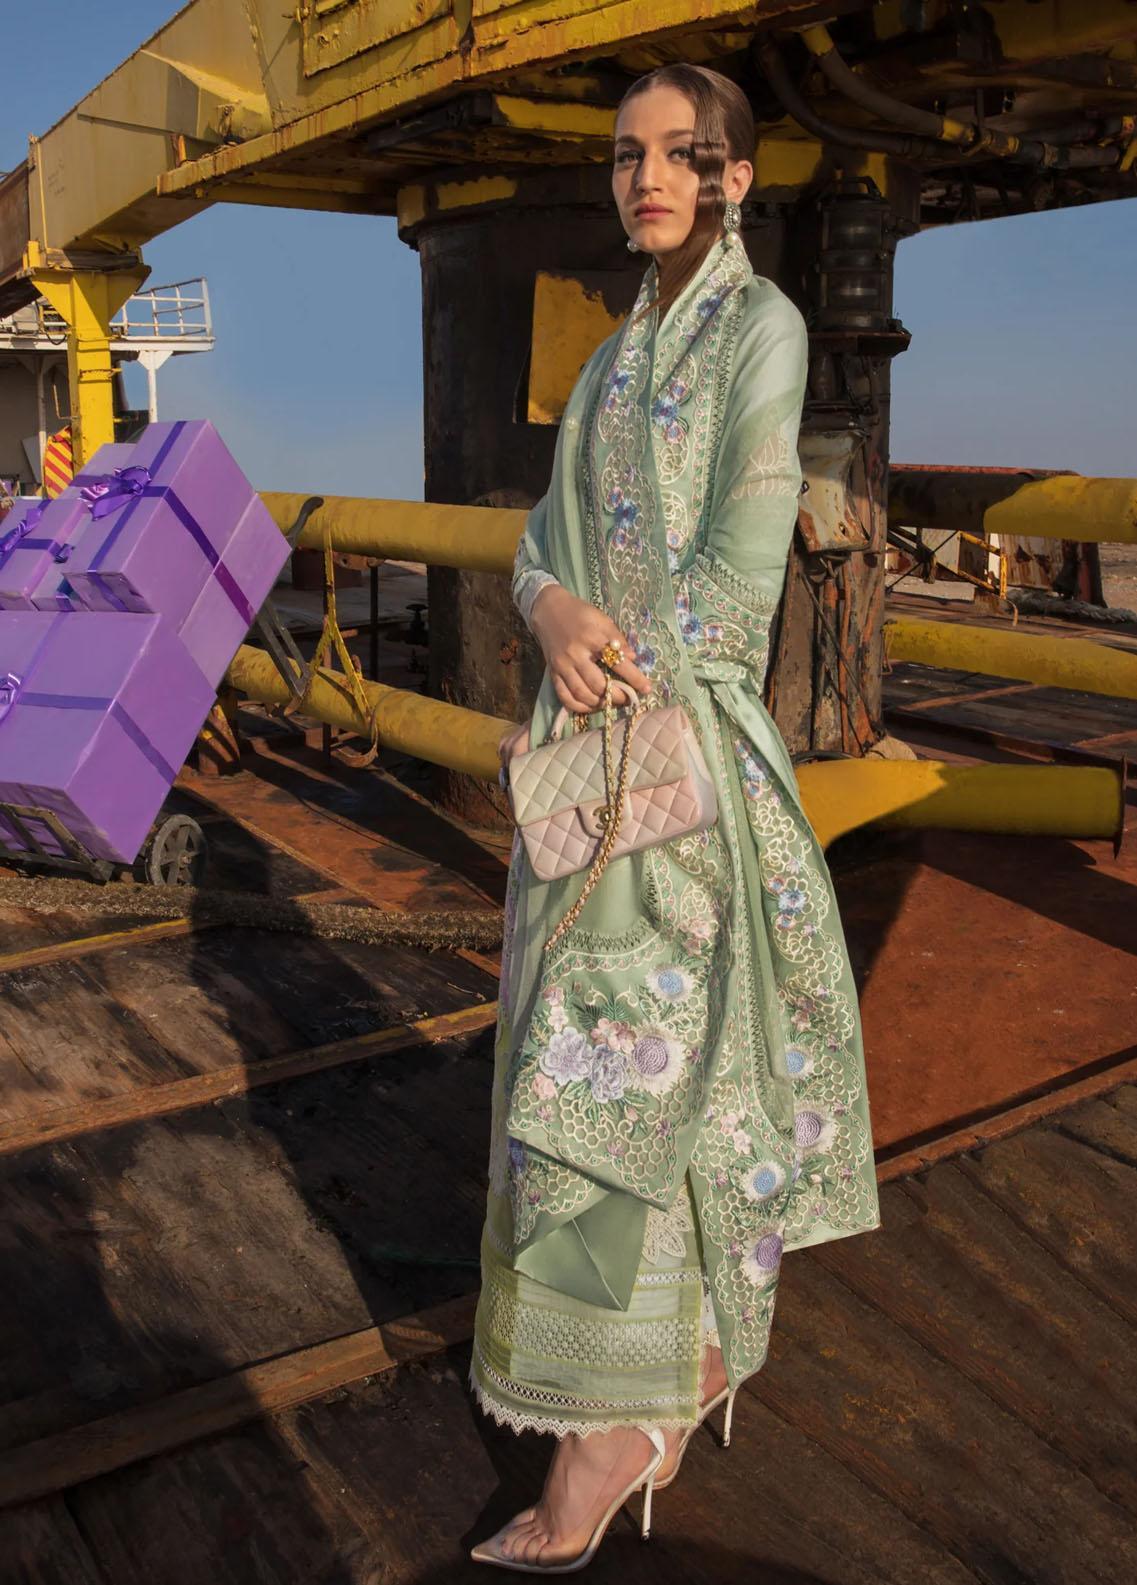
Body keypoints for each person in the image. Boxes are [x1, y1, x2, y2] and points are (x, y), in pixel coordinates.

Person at [468, 61, 880, 1573]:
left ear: (733, 177)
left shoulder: (761, 330)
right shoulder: (606, 360)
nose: (646, 177)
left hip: (680, 773)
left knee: (638, 1090)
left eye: (680, 153)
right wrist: (553, 612)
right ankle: (643, 1390)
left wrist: (614, 668)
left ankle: (620, 1424)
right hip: (587, 762)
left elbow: (738, 579)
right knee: (588, 1085)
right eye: (626, 155)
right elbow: (536, 542)